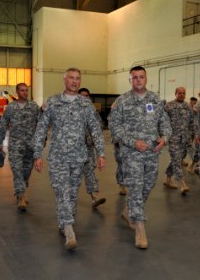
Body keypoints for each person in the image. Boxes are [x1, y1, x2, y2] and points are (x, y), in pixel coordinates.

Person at [33, 68, 105, 250]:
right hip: (58, 157)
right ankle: (69, 227)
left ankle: (64, 222)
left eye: (77, 79)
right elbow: (41, 128)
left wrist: (101, 153)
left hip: (79, 156)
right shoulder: (53, 102)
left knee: (72, 193)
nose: (74, 81)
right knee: (62, 191)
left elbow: (96, 129)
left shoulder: (86, 104)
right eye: (71, 78)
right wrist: (37, 154)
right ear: (64, 80)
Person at [109, 66, 171, 249]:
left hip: (152, 152)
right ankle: (139, 227)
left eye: (141, 77)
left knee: (149, 184)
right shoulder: (122, 101)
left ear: (146, 78)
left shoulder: (155, 100)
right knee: (136, 187)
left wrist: (164, 138)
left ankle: (130, 210)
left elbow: (164, 122)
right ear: (130, 80)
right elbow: (114, 126)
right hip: (131, 153)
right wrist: (132, 142)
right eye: (134, 77)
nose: (138, 80)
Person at [0, 83, 40, 211]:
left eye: (27, 90)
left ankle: (21, 191)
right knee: (17, 170)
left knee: (26, 172)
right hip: (15, 145)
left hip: (30, 145)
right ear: (17, 92)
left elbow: (41, 124)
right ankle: (21, 197)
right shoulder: (11, 107)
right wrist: (0, 142)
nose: (25, 92)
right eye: (22, 90)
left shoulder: (34, 107)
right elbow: (3, 124)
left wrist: (42, 140)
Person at [78, 87, 106, 208]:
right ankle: (68, 200)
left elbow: (99, 125)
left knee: (90, 172)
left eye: (87, 96)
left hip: (88, 148)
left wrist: (91, 138)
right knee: (71, 175)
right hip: (72, 150)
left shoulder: (92, 110)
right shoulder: (71, 110)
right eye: (83, 96)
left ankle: (94, 197)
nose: (85, 98)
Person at [163, 87, 193, 195]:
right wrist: (162, 136)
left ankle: (167, 178)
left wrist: (193, 136)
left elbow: (191, 122)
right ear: (175, 93)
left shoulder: (188, 106)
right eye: (179, 93)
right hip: (173, 138)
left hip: (185, 139)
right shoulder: (168, 106)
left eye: (184, 93)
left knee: (176, 159)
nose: (182, 94)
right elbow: (162, 122)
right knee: (176, 160)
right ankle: (182, 183)